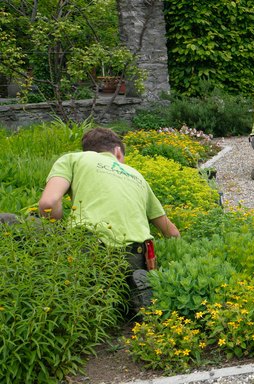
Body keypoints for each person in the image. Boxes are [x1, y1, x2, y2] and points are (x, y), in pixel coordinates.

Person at [38, 127, 180, 309]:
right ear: (118, 152)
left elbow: (48, 203)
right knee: (128, 275)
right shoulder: (137, 175)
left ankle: (93, 292)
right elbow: (172, 232)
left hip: (89, 246)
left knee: (17, 221)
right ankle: (134, 283)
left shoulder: (74, 159)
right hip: (135, 252)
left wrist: (56, 237)